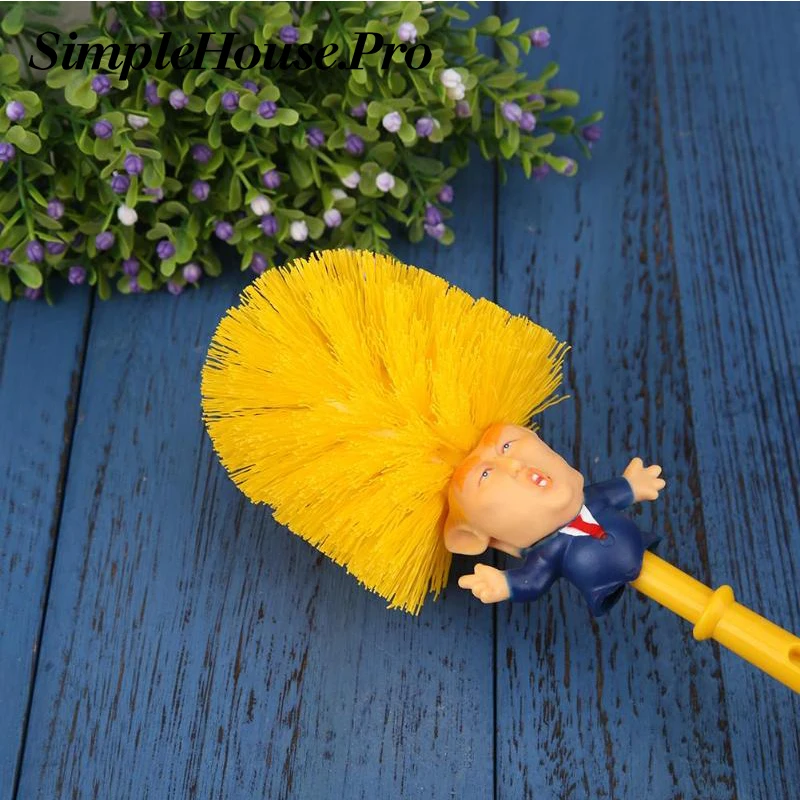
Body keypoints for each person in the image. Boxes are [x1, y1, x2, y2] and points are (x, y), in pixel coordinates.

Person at [446, 423, 665, 615]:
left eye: (506, 446)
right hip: (604, 587)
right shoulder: (547, 553)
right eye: (485, 474)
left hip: (639, 542)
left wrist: (631, 485)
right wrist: (506, 584)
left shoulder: (593, 499)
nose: (514, 464)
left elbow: (611, 493)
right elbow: (533, 580)